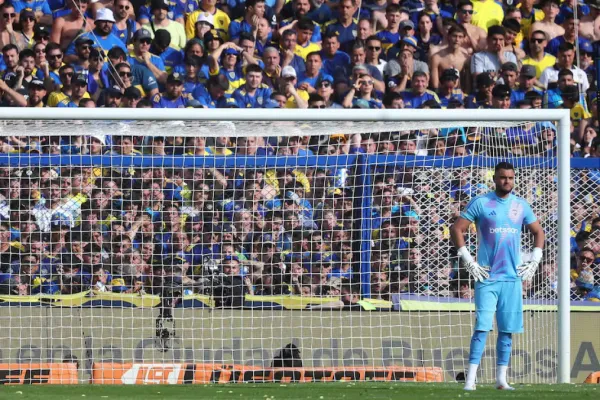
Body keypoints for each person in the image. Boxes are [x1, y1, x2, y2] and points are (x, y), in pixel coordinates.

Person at [450, 162, 545, 390]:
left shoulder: (521, 205)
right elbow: (456, 229)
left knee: (507, 330)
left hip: (512, 279)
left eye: (511, 178)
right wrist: (469, 261)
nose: (507, 182)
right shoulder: (482, 202)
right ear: (495, 178)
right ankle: (471, 380)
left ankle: (501, 380)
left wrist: (534, 260)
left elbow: (538, 231)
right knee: (482, 327)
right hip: (487, 277)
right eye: (503, 178)